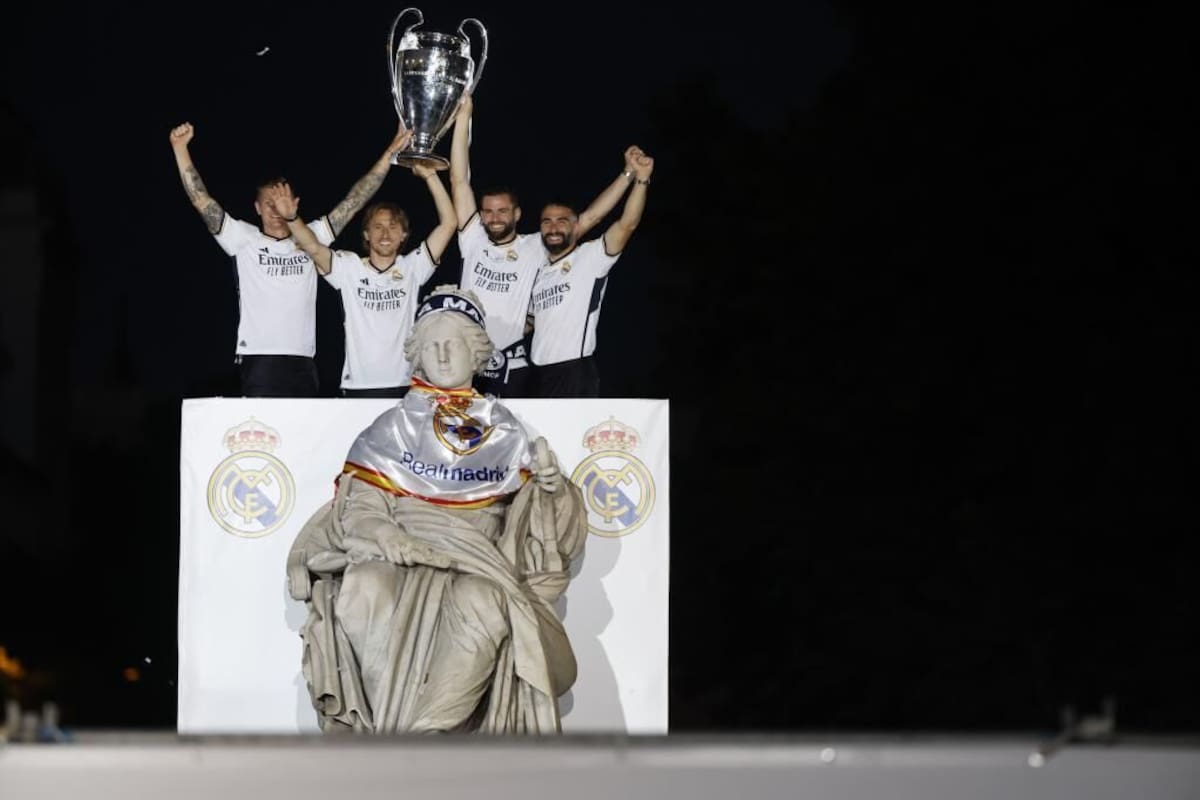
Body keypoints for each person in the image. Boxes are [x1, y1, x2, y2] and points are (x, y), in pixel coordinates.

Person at [286, 285, 587, 733]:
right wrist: (388, 537)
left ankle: (428, 732)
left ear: (477, 354)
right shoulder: (390, 427)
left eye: (456, 344)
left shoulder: (505, 430)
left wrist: (551, 488)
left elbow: (542, 525)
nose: (444, 355)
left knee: (483, 602)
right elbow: (361, 504)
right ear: (418, 356)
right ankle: (390, 726)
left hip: (477, 562)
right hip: (400, 552)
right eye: (432, 345)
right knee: (363, 587)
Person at [169, 121, 411, 397]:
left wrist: (389, 155)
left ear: (294, 203)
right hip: (260, 359)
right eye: (269, 204)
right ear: (257, 208)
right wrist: (180, 149)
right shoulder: (243, 239)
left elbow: (354, 201)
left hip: (304, 360)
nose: (276, 210)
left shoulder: (311, 237)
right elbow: (202, 200)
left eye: (281, 202)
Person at [448, 95, 639, 397]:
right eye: (488, 211)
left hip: (513, 365)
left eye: (502, 211)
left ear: (517, 214)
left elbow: (589, 217)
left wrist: (628, 174)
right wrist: (464, 116)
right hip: (466, 361)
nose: (494, 218)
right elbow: (459, 180)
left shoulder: (535, 246)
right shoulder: (473, 239)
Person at [264, 160, 456, 397]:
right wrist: (293, 219)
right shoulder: (349, 268)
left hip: (405, 385)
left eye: (393, 226)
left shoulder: (413, 267)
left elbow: (449, 224)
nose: (385, 233)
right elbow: (312, 247)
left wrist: (430, 177)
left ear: (403, 234)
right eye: (377, 227)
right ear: (366, 234)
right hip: (357, 387)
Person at [528, 147, 654, 397]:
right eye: (547, 222)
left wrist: (640, 178)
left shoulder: (589, 257)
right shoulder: (538, 272)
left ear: (575, 226)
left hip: (573, 371)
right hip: (538, 373)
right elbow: (532, 322)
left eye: (561, 221)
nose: (553, 228)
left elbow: (626, 224)